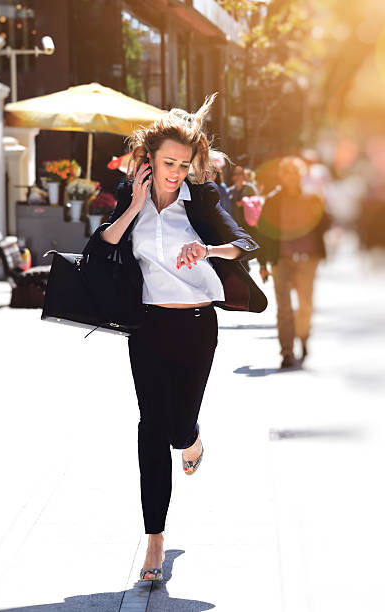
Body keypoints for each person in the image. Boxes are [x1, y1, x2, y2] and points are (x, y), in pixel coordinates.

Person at [88, 94, 267, 581]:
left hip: (195, 326)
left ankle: (190, 439)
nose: (175, 172)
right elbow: (99, 247)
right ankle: (155, 540)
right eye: (168, 163)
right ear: (149, 160)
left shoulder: (202, 199)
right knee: (151, 426)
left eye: (183, 165)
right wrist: (135, 208)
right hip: (146, 327)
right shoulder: (131, 196)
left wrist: (206, 247)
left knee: (177, 427)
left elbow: (248, 243)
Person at [257, 156, 331, 368]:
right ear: (281, 176)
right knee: (284, 307)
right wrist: (262, 265)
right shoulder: (272, 201)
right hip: (281, 260)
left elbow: (325, 223)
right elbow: (264, 234)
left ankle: (304, 338)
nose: (291, 177)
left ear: (301, 176)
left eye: (295, 173)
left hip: (308, 259)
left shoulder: (312, 198)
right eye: (287, 172)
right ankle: (287, 351)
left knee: (305, 305)